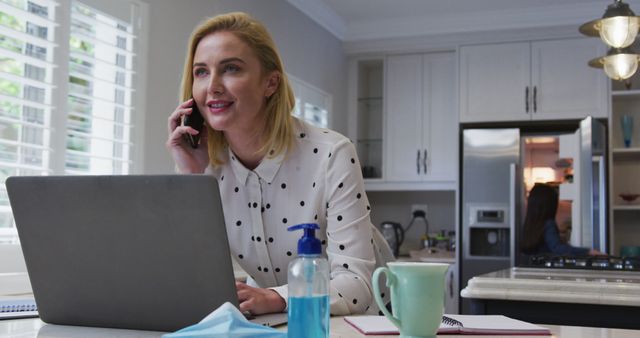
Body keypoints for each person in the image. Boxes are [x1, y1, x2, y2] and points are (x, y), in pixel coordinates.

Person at [166, 12, 393, 316]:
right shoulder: (207, 166)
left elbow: (355, 285)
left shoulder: (331, 154)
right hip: (277, 323)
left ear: (270, 83)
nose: (213, 86)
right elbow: (187, 280)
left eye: (231, 68)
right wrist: (189, 178)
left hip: (364, 321)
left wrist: (275, 297)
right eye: (201, 72)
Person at [520, 183, 602, 256]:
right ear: (550, 205)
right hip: (546, 270)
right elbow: (558, 248)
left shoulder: (530, 224)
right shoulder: (548, 224)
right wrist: (588, 252)